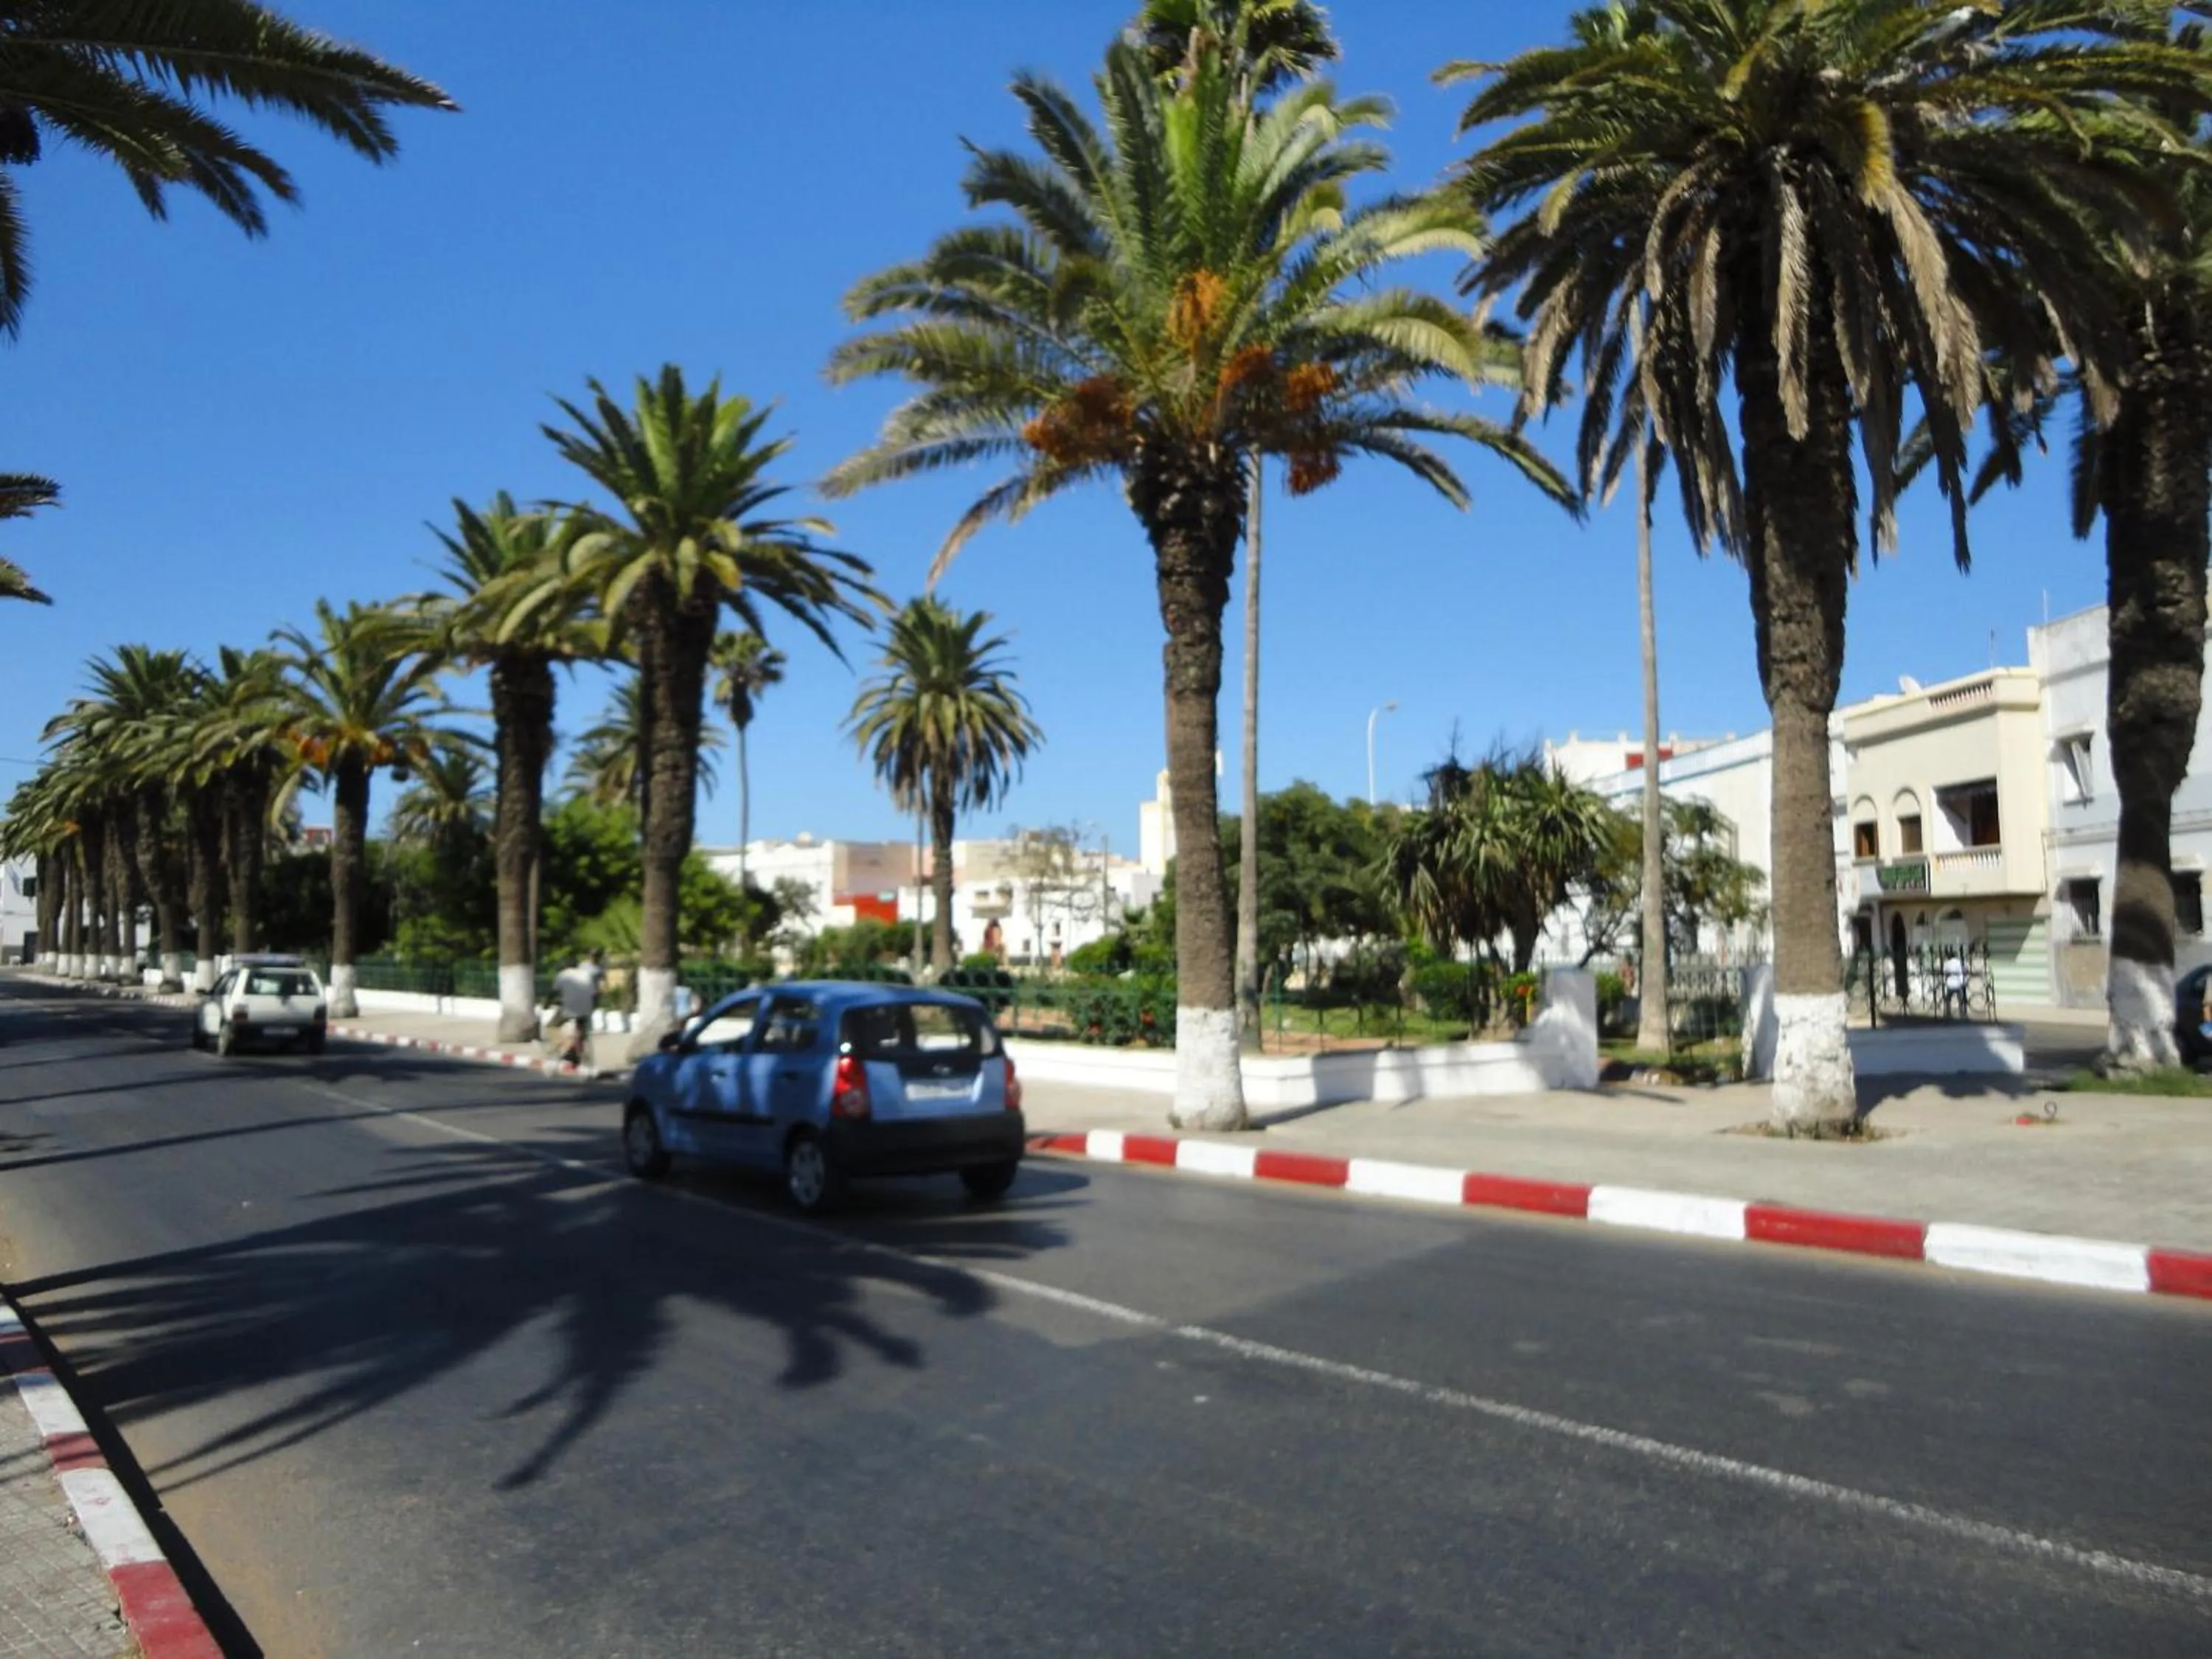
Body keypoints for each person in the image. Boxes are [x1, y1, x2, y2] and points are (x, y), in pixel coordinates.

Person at [551, 950, 605, 1068]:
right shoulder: (586, 974)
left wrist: (547, 1004)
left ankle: (566, 1045)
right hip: (586, 1008)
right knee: (581, 1029)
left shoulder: (563, 974)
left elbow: (554, 992)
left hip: (569, 1009)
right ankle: (576, 1050)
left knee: (552, 1026)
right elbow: (595, 993)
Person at [1942, 947, 1967, 1019]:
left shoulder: (1946, 963)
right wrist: (1962, 982)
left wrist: (1945, 981)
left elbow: (1945, 972)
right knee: (1960, 999)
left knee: (1948, 999)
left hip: (1950, 984)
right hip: (1958, 983)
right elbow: (1961, 972)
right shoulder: (1958, 962)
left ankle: (1948, 1013)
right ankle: (1962, 1012)